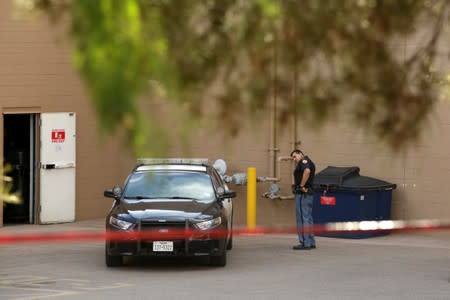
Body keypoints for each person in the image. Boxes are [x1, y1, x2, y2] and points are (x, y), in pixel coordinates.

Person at [290, 149, 316, 250]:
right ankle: (311, 241)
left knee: (302, 218)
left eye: (295, 156)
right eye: (292, 157)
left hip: (303, 194)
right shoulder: (309, 161)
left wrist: (301, 186)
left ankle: (305, 243)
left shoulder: (304, 161)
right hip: (309, 194)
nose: (294, 159)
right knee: (308, 218)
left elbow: (307, 171)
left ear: (300, 154)